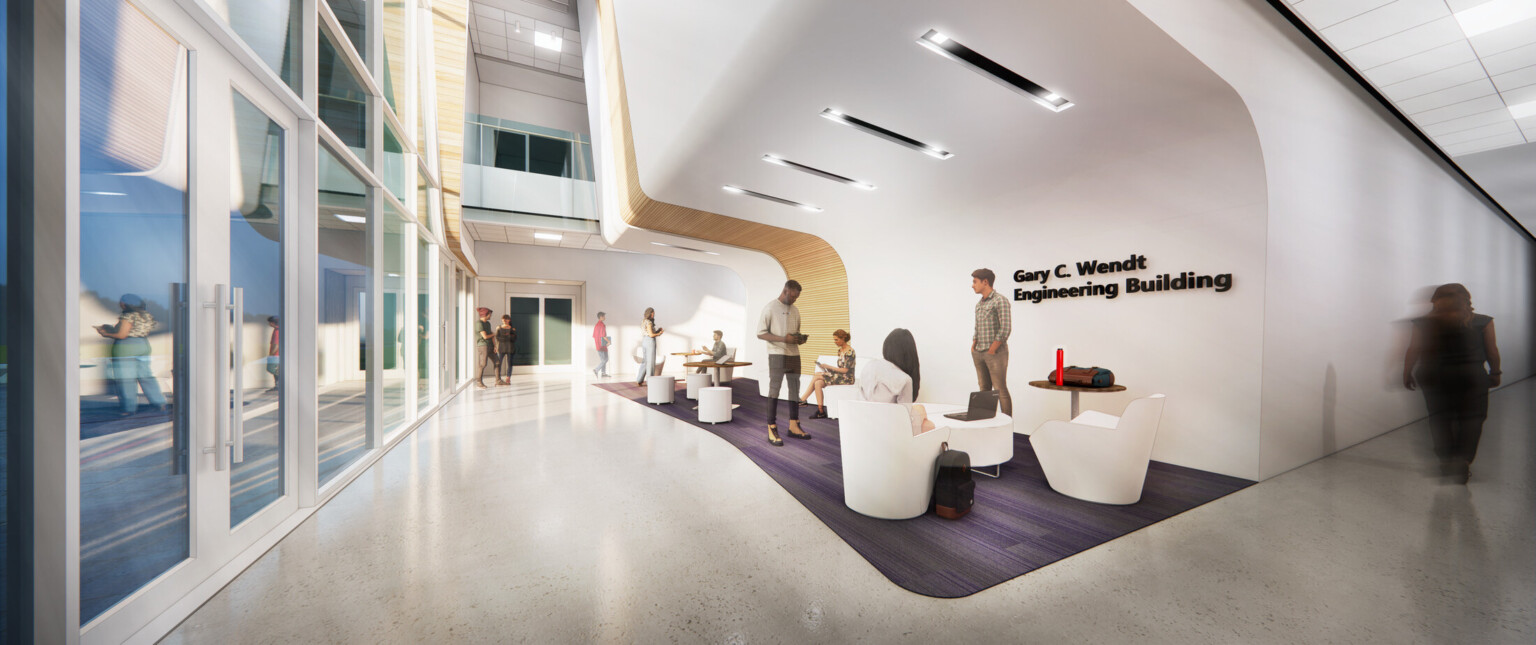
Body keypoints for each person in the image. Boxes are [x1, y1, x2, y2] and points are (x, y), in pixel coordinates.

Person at [1404, 283, 1501, 484]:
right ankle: (1463, 460)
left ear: (1435, 300)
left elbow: (1413, 349)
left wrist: (1407, 372)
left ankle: (1446, 460)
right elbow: (1492, 351)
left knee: (1440, 418)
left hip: (1433, 375)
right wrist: (1495, 372)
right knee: (1473, 418)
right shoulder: (1482, 322)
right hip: (1471, 375)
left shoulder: (1423, 323)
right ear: (1467, 299)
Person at [94, 293, 168, 416]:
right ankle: (159, 403)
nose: (119, 304)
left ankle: (128, 408)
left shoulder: (128, 316)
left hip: (126, 346)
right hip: (143, 344)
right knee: (146, 376)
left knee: (126, 379)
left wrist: (105, 334)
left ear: (126, 303)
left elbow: (122, 335)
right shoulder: (146, 315)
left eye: (121, 302)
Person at [758, 280, 811, 446]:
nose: (795, 300)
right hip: (777, 355)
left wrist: (798, 339)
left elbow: (795, 332)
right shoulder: (770, 308)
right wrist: (783, 339)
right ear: (785, 291)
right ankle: (771, 427)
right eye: (793, 296)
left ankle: (794, 425)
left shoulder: (795, 310)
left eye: (797, 297)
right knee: (774, 391)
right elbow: (760, 334)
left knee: (794, 390)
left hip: (794, 354)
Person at [858, 328, 934, 436]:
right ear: (909, 353)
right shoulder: (905, 379)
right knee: (928, 423)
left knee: (923, 416)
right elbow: (905, 416)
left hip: (862, 422)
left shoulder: (870, 365)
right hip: (888, 429)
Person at [970, 268, 1013, 417]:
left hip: (995, 353)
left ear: (985, 282)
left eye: (975, 281)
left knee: (1000, 390)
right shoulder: (979, 304)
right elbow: (977, 326)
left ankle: (1007, 425)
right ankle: (985, 423)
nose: (972, 285)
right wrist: (974, 345)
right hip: (979, 352)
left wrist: (992, 349)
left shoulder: (1000, 300)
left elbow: (1006, 327)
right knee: (984, 390)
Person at [799, 329, 855, 419]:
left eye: (836, 340)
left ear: (843, 338)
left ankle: (802, 399)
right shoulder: (840, 351)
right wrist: (827, 369)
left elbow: (845, 371)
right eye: (834, 340)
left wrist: (829, 367)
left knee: (817, 375)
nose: (835, 342)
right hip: (839, 376)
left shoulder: (850, 352)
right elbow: (840, 368)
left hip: (847, 378)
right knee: (818, 383)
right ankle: (821, 411)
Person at [637, 307, 663, 385]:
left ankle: (639, 379)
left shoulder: (644, 321)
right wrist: (659, 334)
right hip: (650, 342)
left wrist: (657, 331)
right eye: (653, 313)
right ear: (650, 313)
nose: (654, 314)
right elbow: (651, 335)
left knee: (645, 361)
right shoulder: (649, 322)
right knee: (651, 362)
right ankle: (650, 381)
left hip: (644, 341)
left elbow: (648, 332)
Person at [474, 307, 495, 388]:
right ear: (486, 314)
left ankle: (498, 380)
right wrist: (494, 334)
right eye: (490, 314)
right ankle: (479, 382)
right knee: (483, 364)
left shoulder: (488, 324)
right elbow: (485, 336)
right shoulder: (479, 323)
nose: (491, 316)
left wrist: (495, 345)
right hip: (483, 345)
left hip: (490, 345)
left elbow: (491, 335)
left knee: (496, 362)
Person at [494, 315, 517, 385]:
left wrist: (505, 336)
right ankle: (498, 378)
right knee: (498, 363)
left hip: (510, 348)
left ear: (509, 320)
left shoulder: (513, 329)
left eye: (506, 319)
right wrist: (508, 336)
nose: (505, 321)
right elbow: (497, 338)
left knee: (510, 363)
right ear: (502, 320)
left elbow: (514, 339)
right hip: (501, 348)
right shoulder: (498, 327)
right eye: (503, 319)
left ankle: (508, 377)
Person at [593, 311, 611, 378]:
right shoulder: (602, 325)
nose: (605, 317)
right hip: (602, 345)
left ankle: (603, 373)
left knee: (604, 359)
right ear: (601, 317)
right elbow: (603, 336)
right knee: (605, 360)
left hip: (599, 344)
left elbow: (594, 336)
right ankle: (596, 369)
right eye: (604, 316)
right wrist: (609, 341)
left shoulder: (597, 325)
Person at [266, 316, 281, 392]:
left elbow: (276, 345)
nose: (269, 324)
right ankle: (278, 386)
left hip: (276, 356)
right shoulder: (279, 330)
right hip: (278, 355)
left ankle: (278, 386)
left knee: (275, 371)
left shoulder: (276, 332)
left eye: (269, 322)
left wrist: (271, 355)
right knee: (276, 371)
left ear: (272, 323)